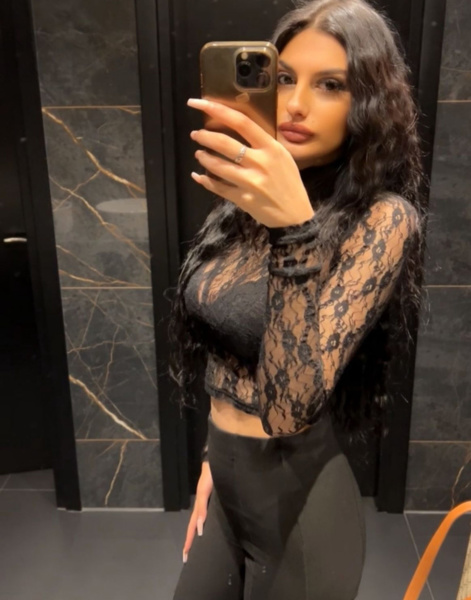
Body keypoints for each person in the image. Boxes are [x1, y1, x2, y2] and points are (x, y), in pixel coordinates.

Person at [169, 0, 428, 598]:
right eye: (284, 78)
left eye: (330, 85)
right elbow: (227, 346)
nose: (295, 104)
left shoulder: (382, 220)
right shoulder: (246, 202)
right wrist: (213, 458)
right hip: (228, 483)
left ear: (368, 104)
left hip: (302, 513)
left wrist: (293, 230)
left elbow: (289, 409)